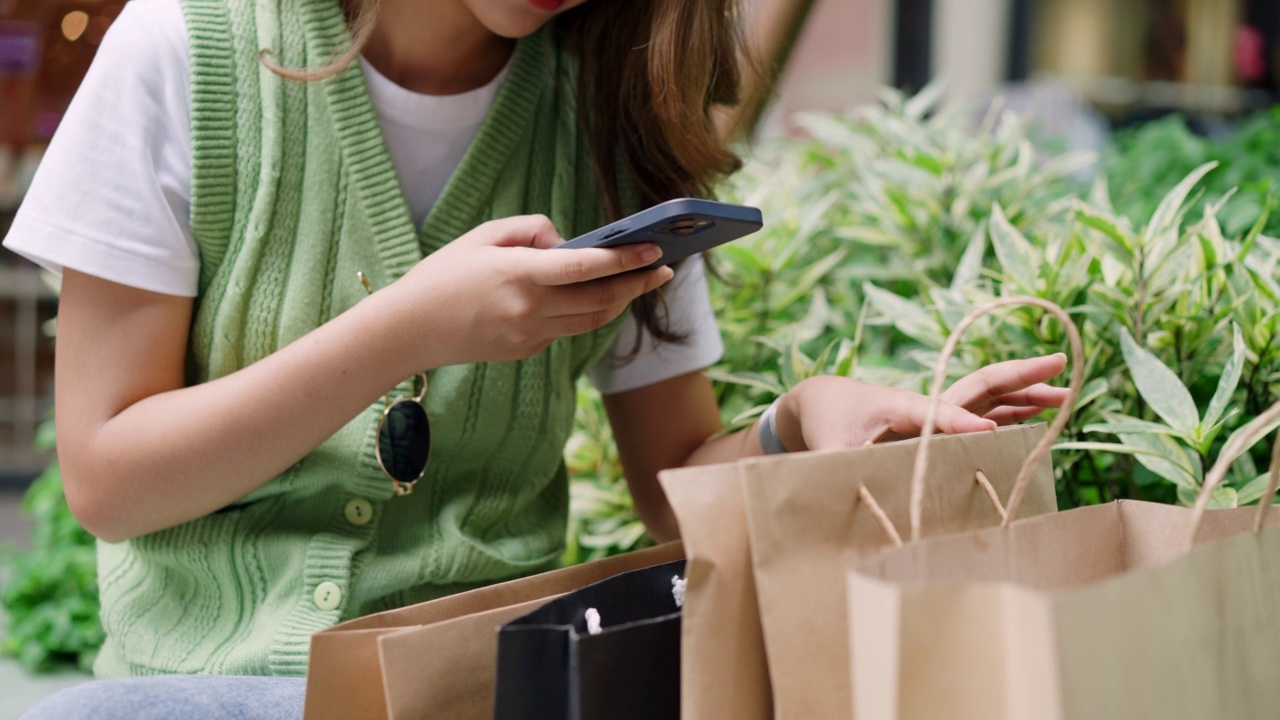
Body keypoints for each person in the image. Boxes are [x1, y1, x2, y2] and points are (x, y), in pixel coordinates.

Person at [6, 0, 1067, 717]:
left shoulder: (613, 108)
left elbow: (676, 484)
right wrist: (409, 329)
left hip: (489, 685)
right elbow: (106, 479)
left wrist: (803, 426)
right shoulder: (184, 45)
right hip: (217, 691)